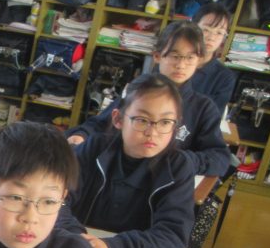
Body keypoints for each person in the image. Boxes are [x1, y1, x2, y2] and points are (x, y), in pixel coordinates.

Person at [58, 72, 196, 248]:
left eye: (165, 122)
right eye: (142, 120)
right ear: (118, 119)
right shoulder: (93, 148)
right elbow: (55, 200)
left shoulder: (178, 167)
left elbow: (172, 235)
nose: (152, 132)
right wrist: (76, 237)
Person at [66, 21, 230, 177]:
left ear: (199, 60)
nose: (181, 65)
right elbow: (100, 124)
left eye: (190, 58)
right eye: (174, 56)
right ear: (157, 56)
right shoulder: (137, 92)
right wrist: (82, 135)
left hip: (166, 181)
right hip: (119, 173)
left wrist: (180, 161)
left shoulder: (203, 107)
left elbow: (219, 158)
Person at [189, 2, 236, 115]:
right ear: (192, 28)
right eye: (206, 30)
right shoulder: (171, 61)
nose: (211, 37)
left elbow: (213, 116)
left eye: (219, 32)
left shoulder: (225, 77)